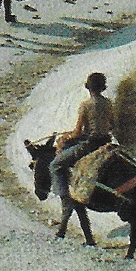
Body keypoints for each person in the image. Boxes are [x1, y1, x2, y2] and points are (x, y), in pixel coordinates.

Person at [50, 72, 114, 223]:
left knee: (55, 164)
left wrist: (67, 136)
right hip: (106, 142)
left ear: (88, 87)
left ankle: (66, 202)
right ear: (102, 88)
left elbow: (78, 132)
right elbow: (111, 125)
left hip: (90, 144)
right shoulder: (108, 103)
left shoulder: (86, 105)